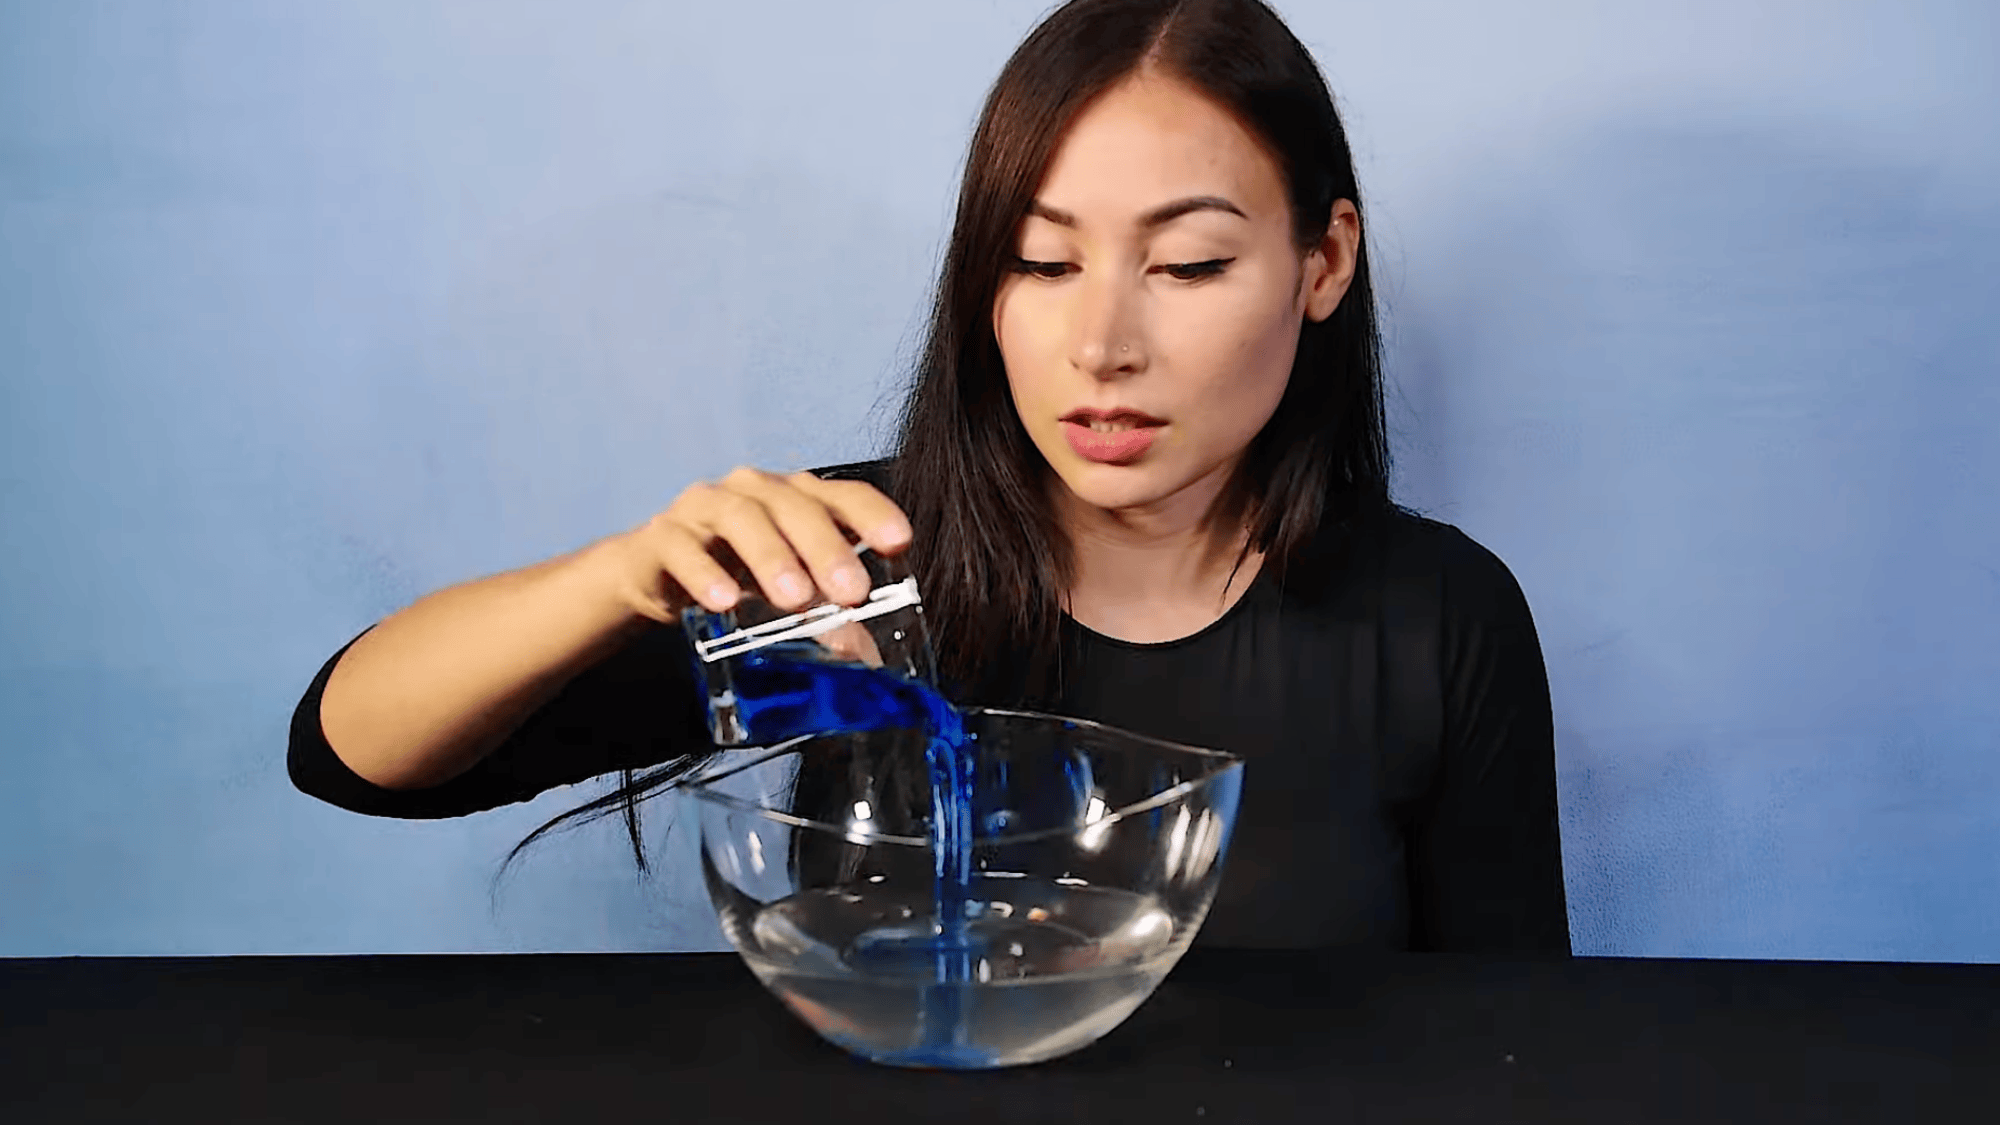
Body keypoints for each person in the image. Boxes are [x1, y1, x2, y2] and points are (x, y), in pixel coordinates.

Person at [290, 0, 1570, 954]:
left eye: (1184, 266)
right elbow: (351, 755)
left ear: (1322, 262)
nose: (1102, 345)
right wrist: (619, 579)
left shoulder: (1437, 616)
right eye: (1040, 262)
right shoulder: (848, 568)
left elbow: (1511, 1043)